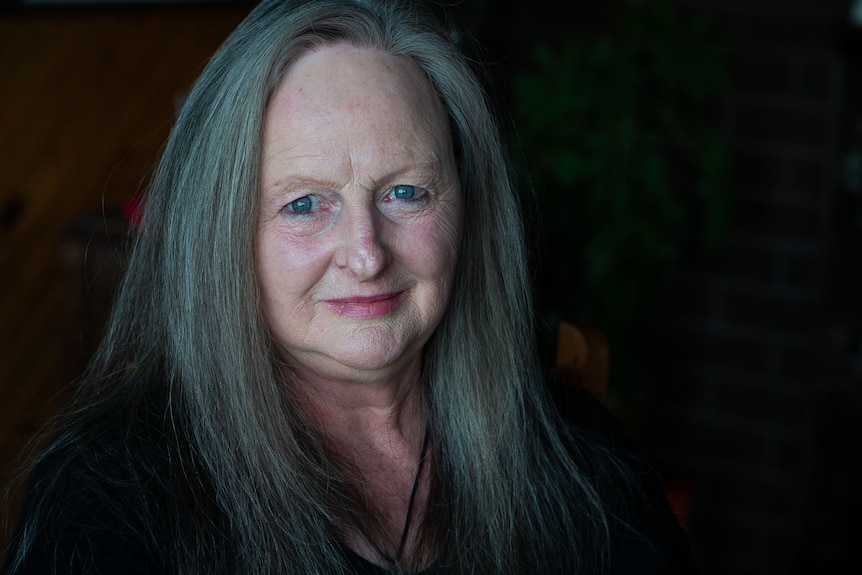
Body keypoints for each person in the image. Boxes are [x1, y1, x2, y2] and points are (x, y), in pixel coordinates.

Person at [2, 0, 696, 573]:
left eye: (405, 192)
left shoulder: (579, 459)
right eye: (305, 203)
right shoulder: (109, 494)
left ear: (466, 208)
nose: (367, 254)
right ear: (223, 235)